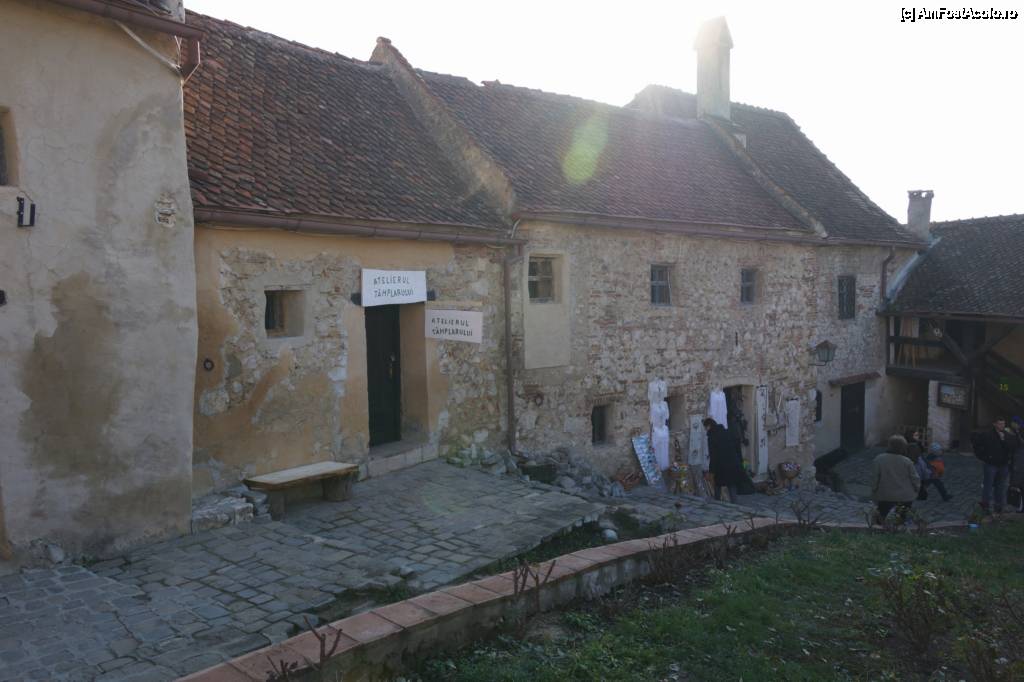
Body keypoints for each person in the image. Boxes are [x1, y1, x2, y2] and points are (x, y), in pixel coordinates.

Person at [871, 434, 920, 523]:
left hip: (885, 495)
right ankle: (899, 527)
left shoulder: (879, 459)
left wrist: (874, 490)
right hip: (905, 496)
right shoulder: (907, 461)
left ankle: (878, 528)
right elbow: (915, 478)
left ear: (889, 445)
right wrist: (917, 489)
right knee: (901, 518)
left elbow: (875, 477)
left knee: (880, 516)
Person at [977, 417, 1011, 514]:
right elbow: (978, 446)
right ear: (995, 424)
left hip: (1003, 465)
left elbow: (1010, 448)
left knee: (1000, 486)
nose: (1002, 426)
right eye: (1000, 424)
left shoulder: (1006, 435)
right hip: (990, 464)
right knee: (988, 486)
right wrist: (985, 457)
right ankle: (985, 506)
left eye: (1003, 424)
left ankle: (998, 506)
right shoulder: (987, 434)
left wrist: (1003, 439)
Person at [704, 417, 742, 503]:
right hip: (733, 463)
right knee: (731, 485)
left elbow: (713, 455)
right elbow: (736, 446)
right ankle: (735, 505)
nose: (705, 430)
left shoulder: (712, 436)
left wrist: (711, 471)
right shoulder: (726, 432)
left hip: (721, 466)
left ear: (709, 426)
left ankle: (717, 504)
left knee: (717, 485)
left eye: (705, 427)